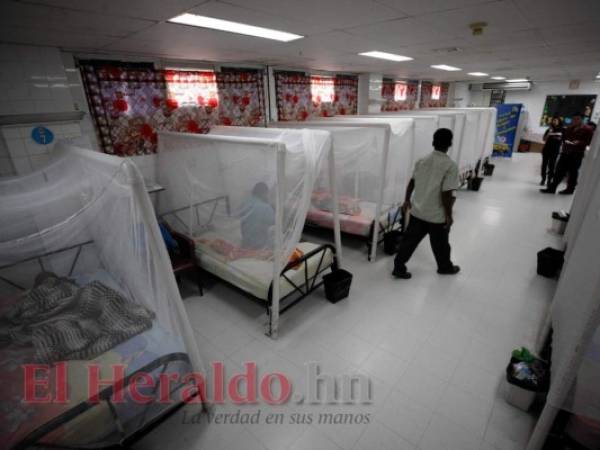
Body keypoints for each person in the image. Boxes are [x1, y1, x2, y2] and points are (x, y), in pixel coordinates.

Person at [393, 128, 460, 279]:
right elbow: (446, 193)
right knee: (441, 245)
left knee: (408, 242)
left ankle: (398, 267)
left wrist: (407, 200)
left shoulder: (422, 160)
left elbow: (412, 182)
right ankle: (444, 267)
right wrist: (449, 216)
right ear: (450, 144)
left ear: (433, 142)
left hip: (418, 211)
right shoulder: (450, 166)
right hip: (436, 216)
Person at [541, 113, 594, 195]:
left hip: (576, 154)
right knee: (559, 170)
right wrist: (562, 139)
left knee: (573, 172)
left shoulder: (588, 129)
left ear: (582, 120)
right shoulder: (569, 128)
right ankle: (552, 188)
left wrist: (579, 142)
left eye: (577, 119)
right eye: (574, 119)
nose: (575, 121)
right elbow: (564, 137)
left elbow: (589, 142)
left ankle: (570, 189)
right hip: (565, 152)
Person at [240, 182, 275, 249]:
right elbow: (273, 221)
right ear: (263, 193)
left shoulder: (245, 201)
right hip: (258, 243)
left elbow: (240, 215)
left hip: (245, 241)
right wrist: (271, 207)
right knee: (279, 234)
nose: (267, 195)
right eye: (266, 193)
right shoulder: (266, 207)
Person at [540, 117, 563, 186]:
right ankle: (543, 179)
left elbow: (562, 140)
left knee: (552, 165)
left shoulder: (562, 130)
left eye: (556, 120)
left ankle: (549, 180)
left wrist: (558, 138)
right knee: (544, 165)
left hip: (555, 150)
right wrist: (549, 133)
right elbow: (544, 139)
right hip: (547, 149)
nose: (554, 121)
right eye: (553, 120)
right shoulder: (549, 129)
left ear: (559, 122)